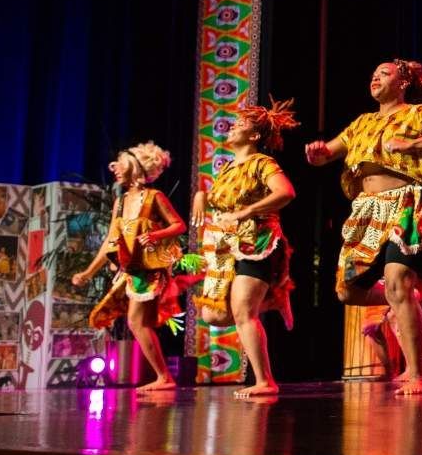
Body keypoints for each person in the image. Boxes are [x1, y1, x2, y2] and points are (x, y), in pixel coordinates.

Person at [305, 59, 422, 396]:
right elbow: (329, 152)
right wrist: (318, 153)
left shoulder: (418, 114)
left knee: (396, 281)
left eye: (384, 73)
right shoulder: (362, 123)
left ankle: (417, 374)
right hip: (366, 211)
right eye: (373, 73)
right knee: (346, 291)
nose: (375, 77)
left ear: (404, 82)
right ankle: (407, 296)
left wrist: (413, 145)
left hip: (406, 204)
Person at [190, 98, 299, 398]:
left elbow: (285, 192)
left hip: (257, 241)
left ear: (254, 136)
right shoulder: (227, 169)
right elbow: (215, 200)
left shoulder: (262, 163)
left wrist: (247, 212)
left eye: (242, 124)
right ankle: (276, 298)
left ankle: (265, 381)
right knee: (213, 316)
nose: (234, 125)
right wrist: (201, 197)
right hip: (226, 247)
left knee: (242, 313)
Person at [71, 142, 187, 392]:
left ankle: (164, 377)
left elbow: (179, 225)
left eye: (120, 162)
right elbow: (110, 241)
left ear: (134, 166)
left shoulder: (154, 197)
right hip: (132, 271)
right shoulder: (121, 203)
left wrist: (155, 235)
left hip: (151, 270)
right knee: (138, 322)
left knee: (137, 322)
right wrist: (88, 272)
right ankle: (163, 376)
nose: (114, 168)